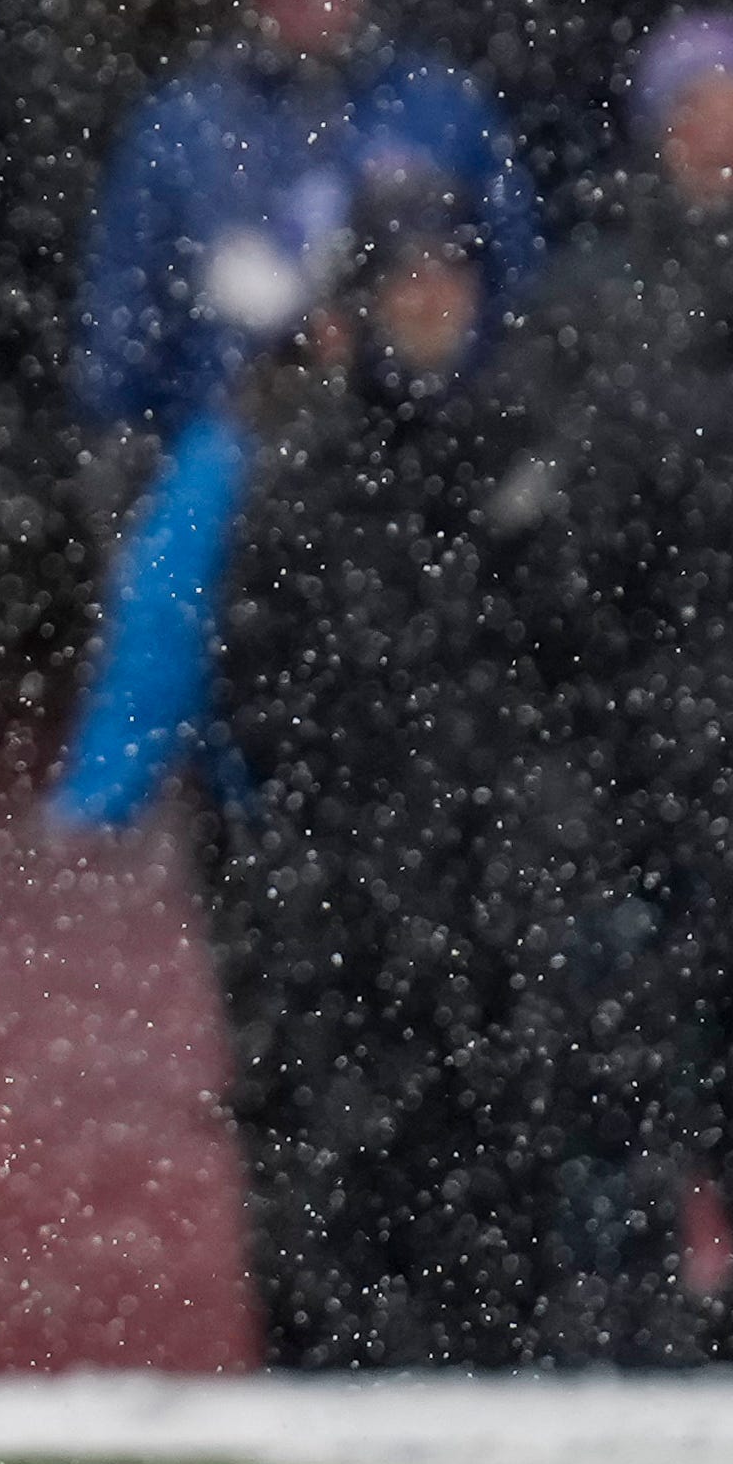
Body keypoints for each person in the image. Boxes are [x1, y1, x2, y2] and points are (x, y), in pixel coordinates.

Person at [505, 10, 733, 1363]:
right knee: (634, 1063)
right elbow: (565, 507)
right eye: (697, 100)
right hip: (643, 732)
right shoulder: (595, 286)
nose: (724, 123)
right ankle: (636, 1334)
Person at [197, 174, 568, 1369]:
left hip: (486, 870)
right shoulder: (300, 467)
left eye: (449, 272)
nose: (429, 298)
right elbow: (256, 679)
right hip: (347, 872)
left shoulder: (529, 450)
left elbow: (575, 664)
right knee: (339, 1160)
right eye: (404, 275)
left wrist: (515, 817)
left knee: (493, 1157)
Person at [73, 0, 541, 448]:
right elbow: (121, 319)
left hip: (424, 446)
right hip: (227, 453)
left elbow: (513, 280)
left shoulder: (438, 107)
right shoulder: (182, 129)